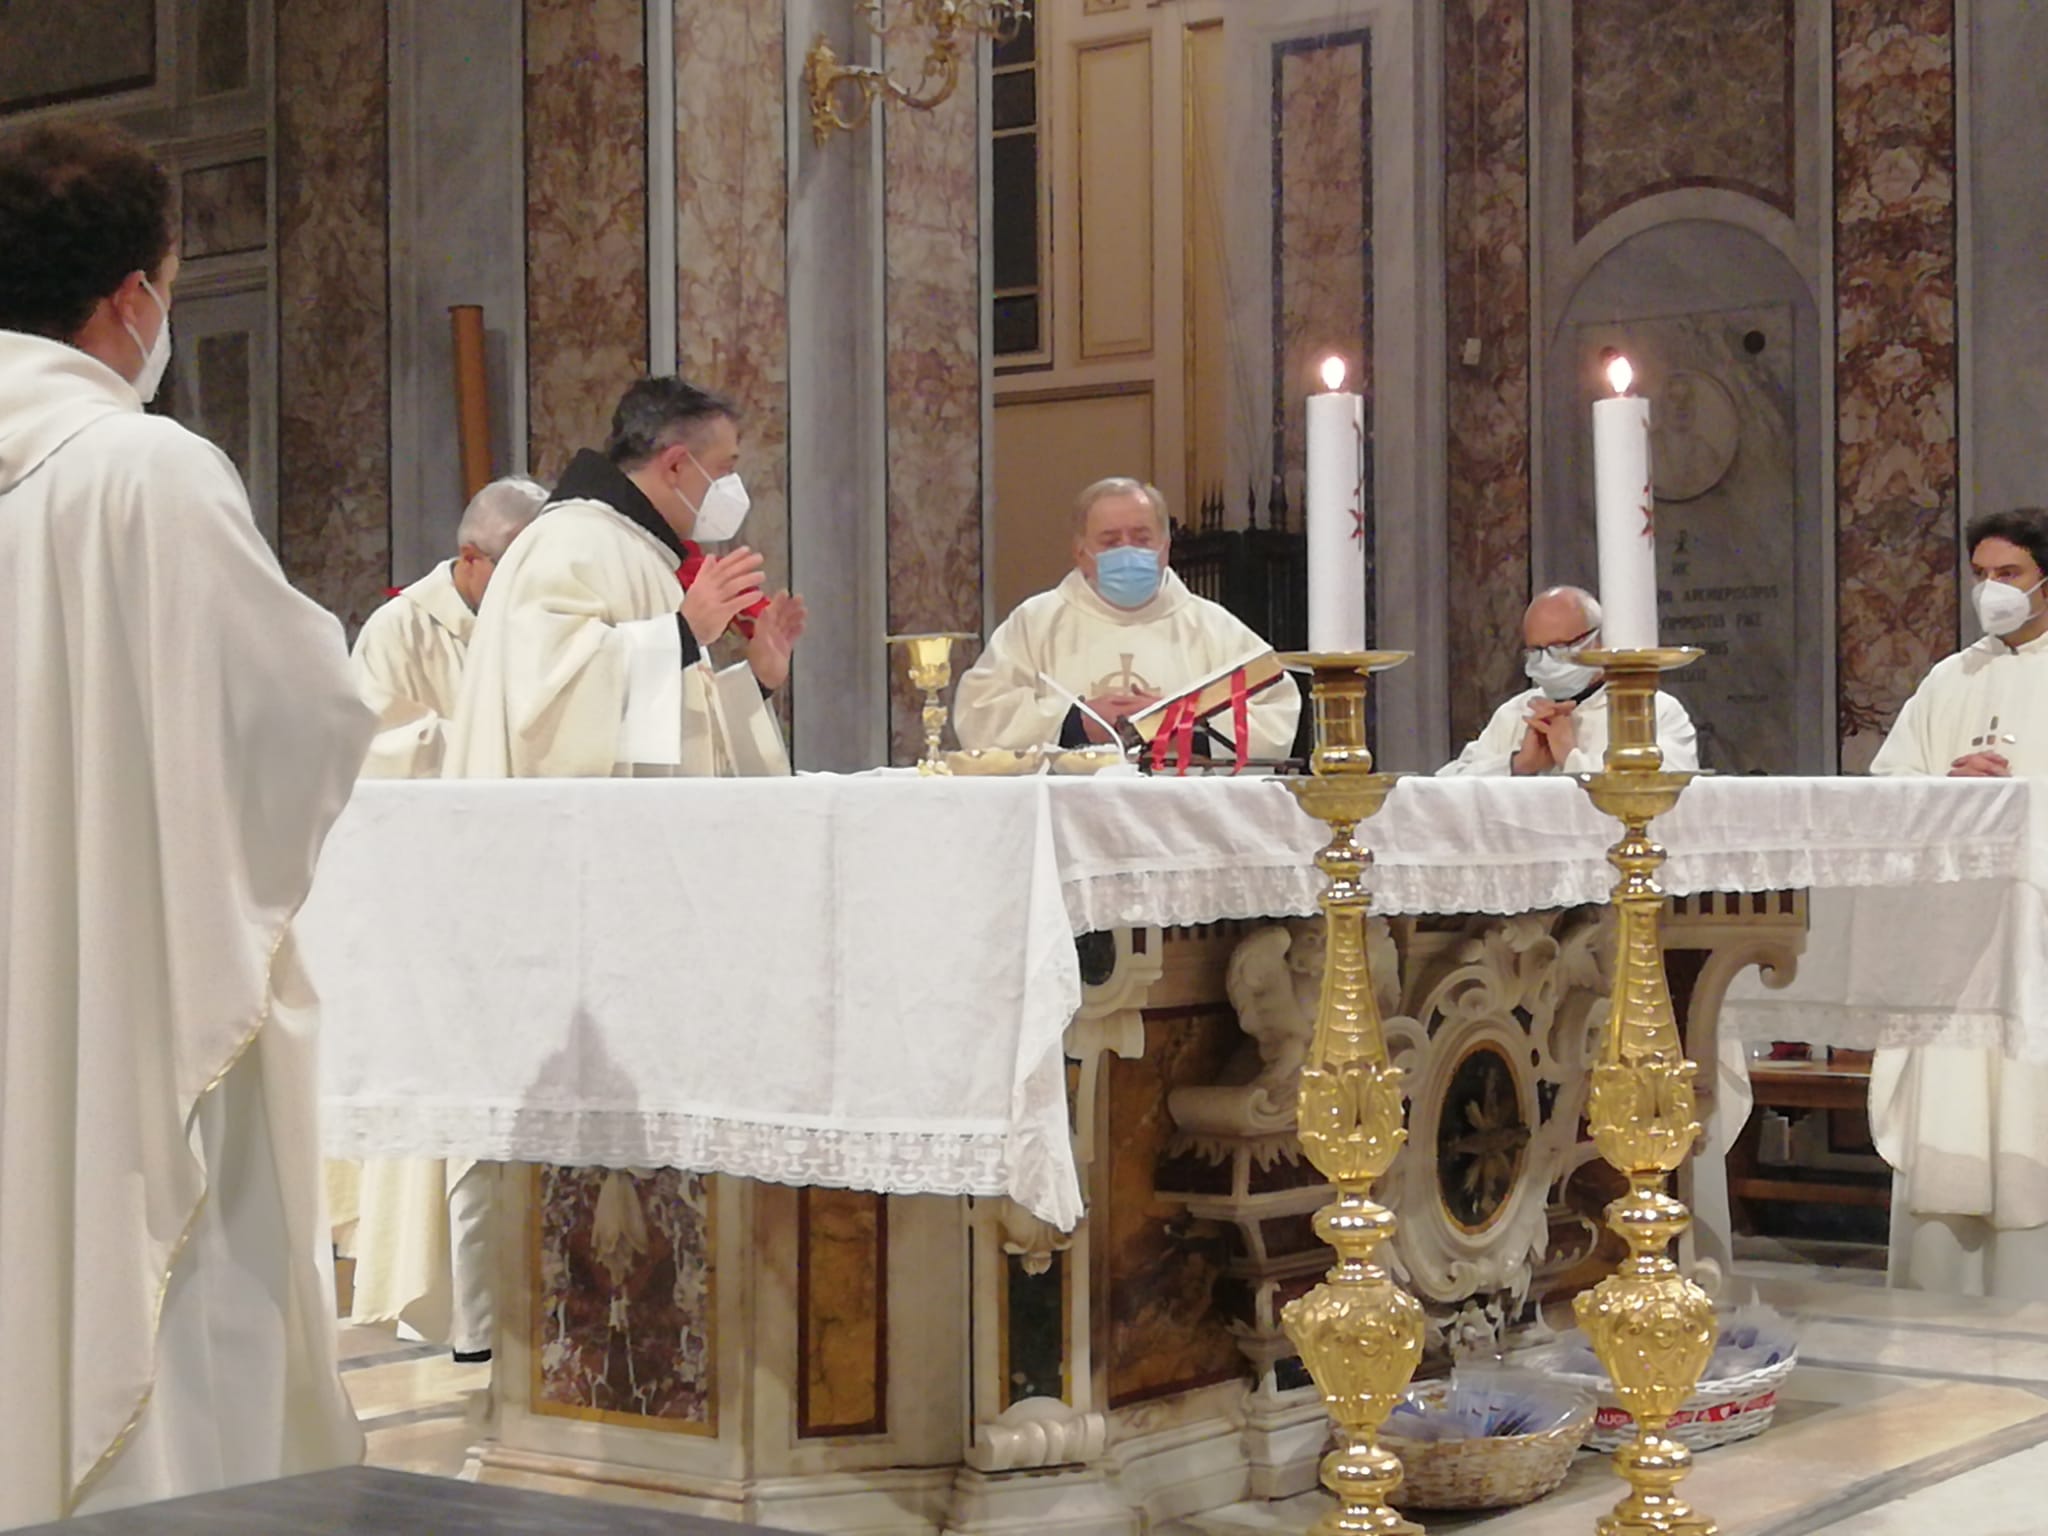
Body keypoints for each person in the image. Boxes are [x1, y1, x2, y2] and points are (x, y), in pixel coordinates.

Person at [0, 121, 372, 1523]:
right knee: (149, 1283)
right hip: (113, 988)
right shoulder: (144, 471)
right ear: (130, 298)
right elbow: (303, 711)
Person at [445, 377, 807, 778]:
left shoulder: (638, 550)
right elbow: (548, 707)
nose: (731, 488)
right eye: (724, 469)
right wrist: (682, 634)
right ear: (675, 465)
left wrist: (756, 681)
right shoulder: (570, 541)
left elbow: (657, 734)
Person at [1867, 507, 2048, 1298]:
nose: (1991, 590)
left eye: (2009, 574)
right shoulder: (1951, 677)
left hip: (2035, 937)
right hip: (1952, 942)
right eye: (1980, 575)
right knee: (1950, 1117)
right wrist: (1947, 791)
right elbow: (1888, 785)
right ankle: (1938, 1297)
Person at [952, 478, 1301, 756]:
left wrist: (1181, 726)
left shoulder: (1214, 627)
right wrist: (1075, 723)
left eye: (1141, 538)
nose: (1128, 550)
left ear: (1165, 547)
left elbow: (1275, 714)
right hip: (1068, 809)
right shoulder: (1036, 623)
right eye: (1110, 541)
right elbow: (980, 712)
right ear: (1080, 552)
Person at [350, 475, 548, 779]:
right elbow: (377, 747)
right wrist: (498, 748)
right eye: (516, 568)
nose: (531, 584)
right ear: (470, 557)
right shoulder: (398, 631)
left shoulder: (550, 622)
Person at [1437, 585, 1698, 776]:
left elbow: (1671, 791)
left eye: (1560, 647)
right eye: (1536, 651)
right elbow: (1444, 787)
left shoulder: (1654, 710)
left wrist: (1571, 758)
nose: (1546, 661)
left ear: (1597, 641)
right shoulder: (1516, 713)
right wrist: (1518, 764)